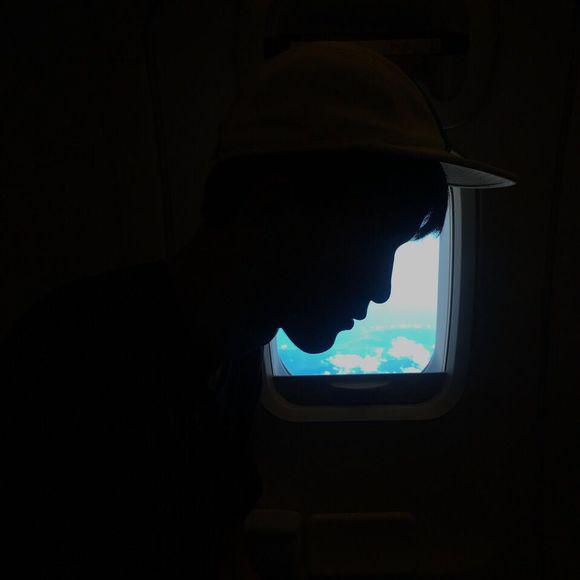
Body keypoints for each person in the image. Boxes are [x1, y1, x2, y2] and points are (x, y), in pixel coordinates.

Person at [2, 42, 516, 578]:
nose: (382, 289)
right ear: (274, 206)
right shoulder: (70, 364)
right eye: (371, 244)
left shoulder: (234, 359)